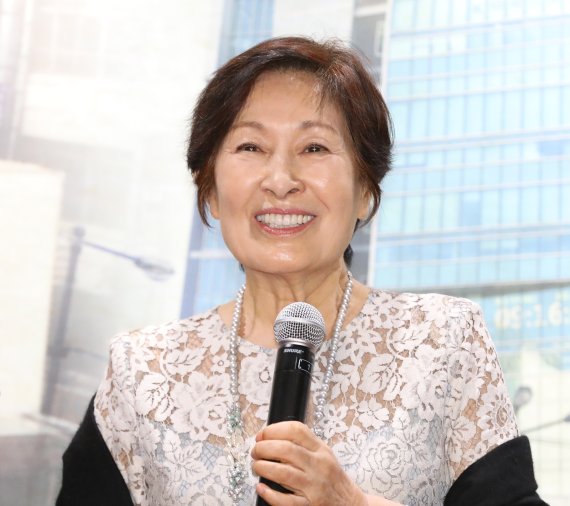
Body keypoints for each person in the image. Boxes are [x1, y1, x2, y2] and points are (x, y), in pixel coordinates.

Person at [56, 36, 547, 506]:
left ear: (365, 190)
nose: (281, 181)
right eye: (251, 147)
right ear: (210, 191)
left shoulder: (443, 340)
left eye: (314, 148)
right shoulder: (142, 371)